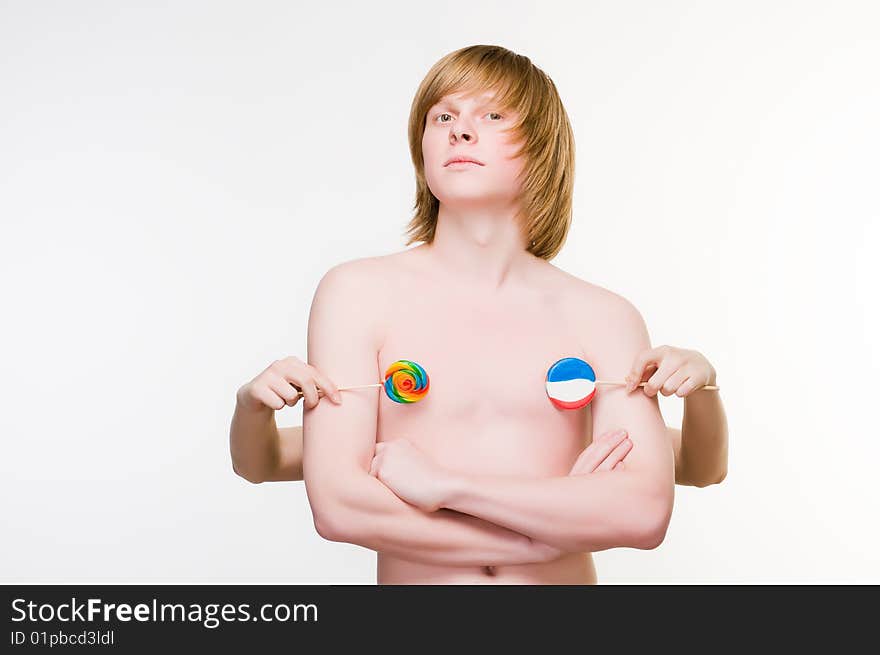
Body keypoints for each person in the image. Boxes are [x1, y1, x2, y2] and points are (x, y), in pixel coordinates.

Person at [230, 45, 729, 584]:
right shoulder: (357, 293)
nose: (459, 130)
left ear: (542, 147)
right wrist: (541, 540)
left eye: (492, 115)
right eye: (442, 116)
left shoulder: (604, 316)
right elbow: (338, 505)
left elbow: (644, 511)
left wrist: (446, 488)